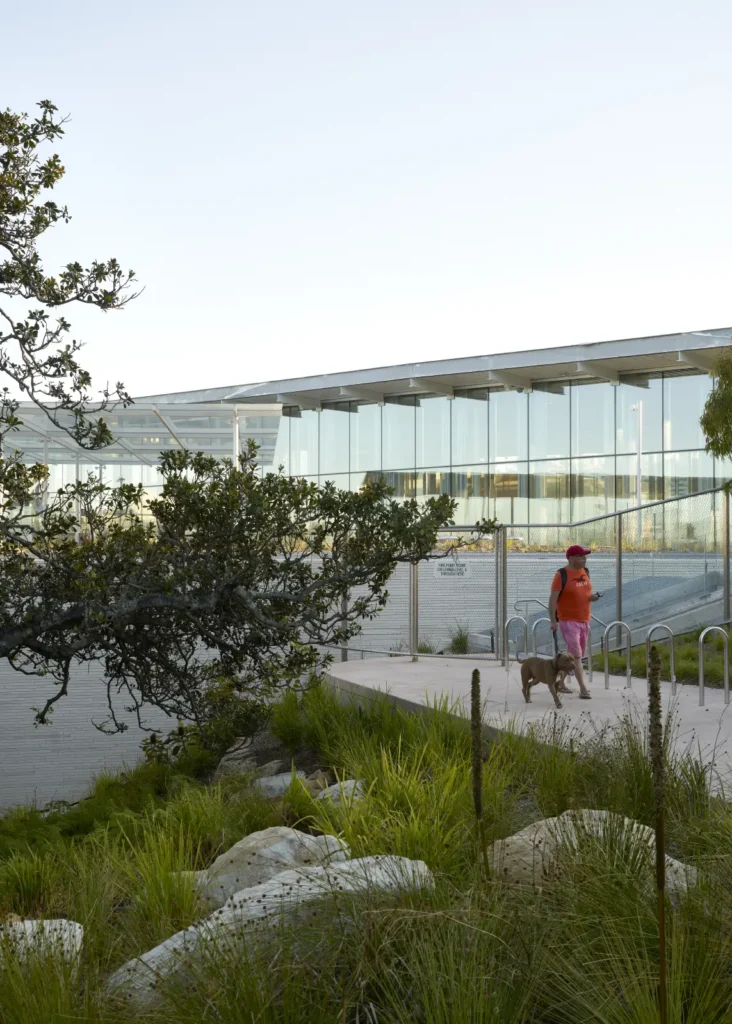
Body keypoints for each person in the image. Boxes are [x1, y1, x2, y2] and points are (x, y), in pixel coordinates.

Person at [548, 544, 600, 699]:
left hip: (584, 619)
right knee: (577, 656)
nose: (585, 559)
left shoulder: (585, 572)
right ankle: (583, 689)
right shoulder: (561, 575)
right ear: (571, 558)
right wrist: (553, 620)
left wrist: (593, 598)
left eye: (585, 556)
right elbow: (552, 600)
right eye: (581, 556)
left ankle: (561, 683)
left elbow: (586, 594)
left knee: (574, 656)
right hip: (568, 621)